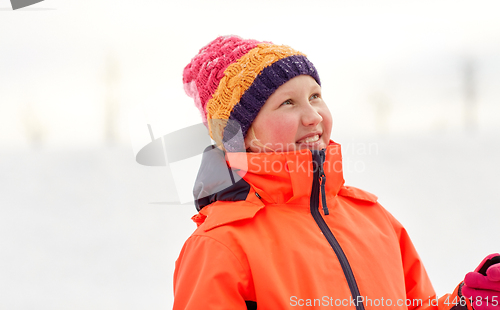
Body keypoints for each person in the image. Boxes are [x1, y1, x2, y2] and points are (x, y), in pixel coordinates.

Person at [173, 35, 500, 309]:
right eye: (288, 103)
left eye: (315, 96)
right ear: (241, 135)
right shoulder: (221, 245)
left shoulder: (376, 222)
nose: (313, 115)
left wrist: (466, 303)